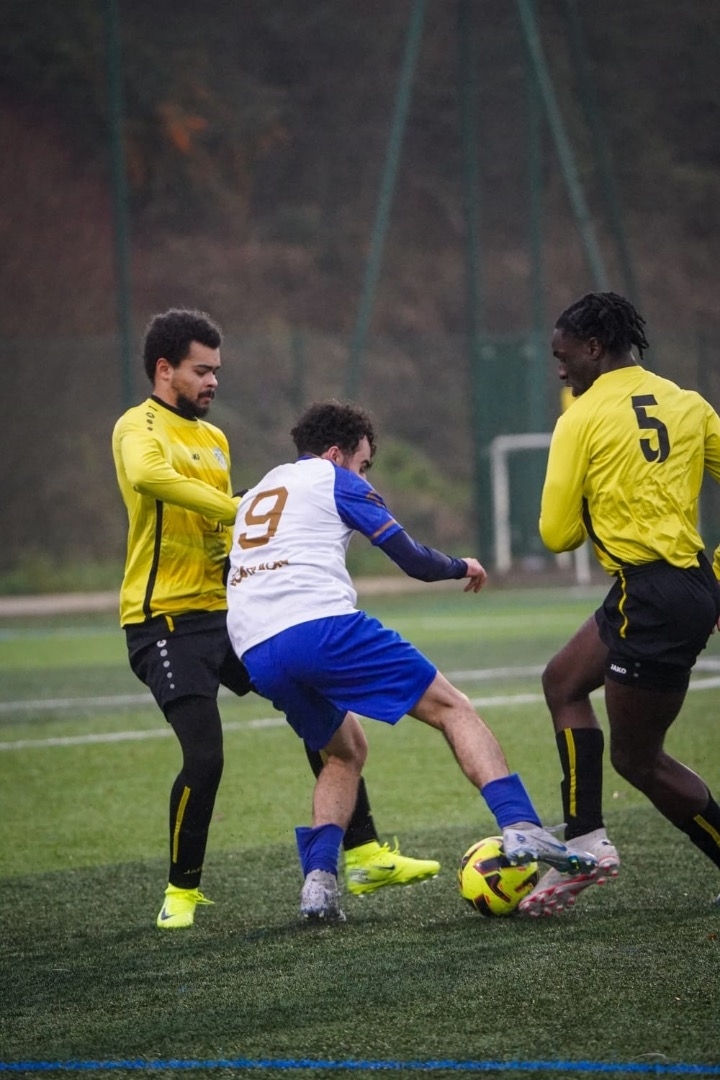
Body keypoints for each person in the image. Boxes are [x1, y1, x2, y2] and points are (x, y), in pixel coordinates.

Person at [111, 309, 440, 931]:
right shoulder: (138, 426)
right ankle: (181, 893)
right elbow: (149, 477)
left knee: (321, 710)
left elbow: (224, 530)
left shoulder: (215, 439)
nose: (213, 381)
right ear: (164, 370)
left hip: (231, 615)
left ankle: (365, 854)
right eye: (201, 370)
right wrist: (234, 507)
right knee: (205, 756)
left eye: (217, 370)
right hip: (164, 621)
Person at [225, 398, 597, 922]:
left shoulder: (259, 490)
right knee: (452, 707)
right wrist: (462, 565)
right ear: (335, 454)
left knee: (344, 751)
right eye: (363, 464)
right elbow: (413, 560)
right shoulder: (334, 479)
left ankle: (319, 884)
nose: (364, 475)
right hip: (318, 626)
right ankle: (521, 826)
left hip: (255, 648)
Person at [518, 291, 720, 917]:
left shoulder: (580, 419)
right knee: (562, 681)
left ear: (594, 347)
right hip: (678, 585)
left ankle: (589, 842)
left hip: (652, 596)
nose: (559, 370)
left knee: (639, 759)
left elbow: (557, 536)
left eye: (564, 357)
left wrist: (592, 495)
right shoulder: (688, 402)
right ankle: (585, 838)